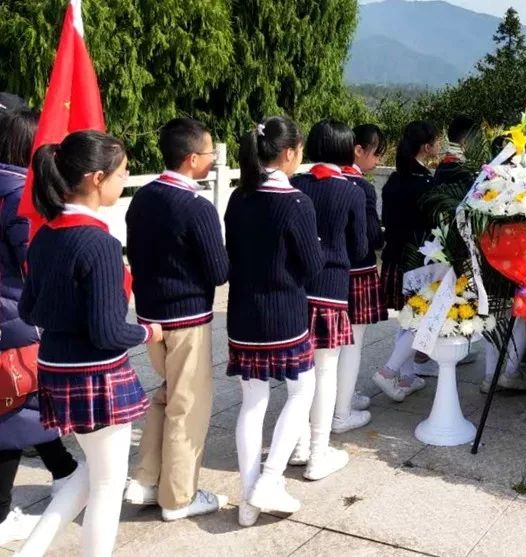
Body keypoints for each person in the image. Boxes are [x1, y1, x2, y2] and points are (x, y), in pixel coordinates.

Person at [15, 131, 163, 557]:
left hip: (58, 369)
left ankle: (31, 551)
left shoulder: (45, 235)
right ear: (98, 178)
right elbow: (108, 332)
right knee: (107, 485)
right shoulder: (99, 243)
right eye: (123, 172)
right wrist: (149, 333)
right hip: (95, 375)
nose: (126, 178)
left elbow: (29, 310)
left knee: (89, 472)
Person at [122, 118, 229, 520]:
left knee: (167, 395)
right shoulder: (196, 207)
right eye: (208, 153)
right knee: (190, 405)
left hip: (150, 317)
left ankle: (147, 480)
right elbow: (218, 271)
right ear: (191, 159)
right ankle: (178, 497)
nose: (212, 159)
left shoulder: (144, 197)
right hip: (187, 319)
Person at [225, 117, 322, 527]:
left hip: (243, 314)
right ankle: (269, 478)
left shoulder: (238, 197)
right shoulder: (296, 202)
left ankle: (250, 498)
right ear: (289, 153)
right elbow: (313, 266)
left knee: (253, 403)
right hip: (284, 315)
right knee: (302, 391)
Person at [0, 108, 78, 547]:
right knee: (13, 408)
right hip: (15, 317)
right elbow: (34, 264)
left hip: (7, 316)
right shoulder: (17, 195)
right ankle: (0, 514)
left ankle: (64, 471)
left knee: (24, 404)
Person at [287, 121, 366, 479]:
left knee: (298, 370)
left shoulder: (295, 184)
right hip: (332, 288)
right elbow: (361, 247)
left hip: (295, 287)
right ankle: (319, 453)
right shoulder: (351, 190)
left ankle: (299, 443)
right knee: (325, 370)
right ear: (348, 150)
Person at [372, 120, 439, 402]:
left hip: (395, 258)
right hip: (419, 262)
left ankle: (408, 374)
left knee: (407, 318)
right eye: (436, 141)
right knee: (420, 319)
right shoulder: (426, 184)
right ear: (426, 147)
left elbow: (387, 220)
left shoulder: (394, 181)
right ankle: (389, 371)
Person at [334, 124, 387, 433]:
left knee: (328, 348)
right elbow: (369, 238)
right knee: (351, 343)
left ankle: (341, 398)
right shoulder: (360, 186)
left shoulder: (307, 181)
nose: (377, 161)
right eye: (376, 153)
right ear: (358, 150)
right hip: (357, 271)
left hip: (325, 275)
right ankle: (342, 411)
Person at [433, 115, 477, 190]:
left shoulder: (443, 166)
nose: (478, 145)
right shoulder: (460, 172)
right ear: (465, 142)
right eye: (477, 140)